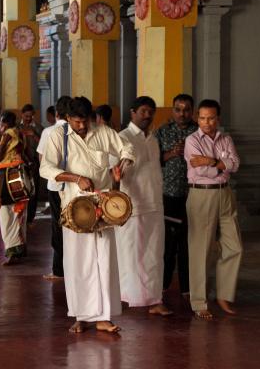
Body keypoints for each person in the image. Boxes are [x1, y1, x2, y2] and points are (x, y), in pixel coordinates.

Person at [40, 96, 135, 333]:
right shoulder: (57, 136)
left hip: (103, 205)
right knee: (78, 263)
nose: (81, 127)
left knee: (105, 260)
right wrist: (76, 178)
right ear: (67, 118)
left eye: (85, 122)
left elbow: (126, 147)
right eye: (76, 122)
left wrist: (122, 163)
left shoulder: (103, 132)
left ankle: (104, 317)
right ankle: (81, 316)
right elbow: (46, 168)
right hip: (75, 208)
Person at [184, 99, 242, 320]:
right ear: (197, 118)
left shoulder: (225, 139)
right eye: (202, 118)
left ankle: (224, 295)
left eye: (211, 118)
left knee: (234, 245)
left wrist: (212, 161)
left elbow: (235, 164)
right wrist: (220, 164)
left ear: (218, 119)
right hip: (201, 195)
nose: (206, 122)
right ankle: (199, 301)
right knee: (201, 249)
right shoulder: (191, 140)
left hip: (225, 194)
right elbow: (202, 172)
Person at [116, 96, 172, 316]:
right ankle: (125, 297)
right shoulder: (123, 138)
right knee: (129, 253)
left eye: (151, 112)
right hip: (133, 205)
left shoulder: (153, 138)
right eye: (143, 111)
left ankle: (154, 300)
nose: (147, 116)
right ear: (133, 112)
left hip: (155, 203)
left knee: (154, 253)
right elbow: (116, 173)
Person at [155, 94, 198, 300]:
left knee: (188, 243)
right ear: (173, 110)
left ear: (193, 111)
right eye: (178, 109)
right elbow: (153, 161)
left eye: (186, 109)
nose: (182, 114)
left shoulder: (199, 131)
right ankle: (163, 284)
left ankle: (187, 287)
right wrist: (172, 153)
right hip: (169, 194)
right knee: (168, 243)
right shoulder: (163, 131)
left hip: (193, 195)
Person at [36, 96, 71, 280]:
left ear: (56, 113)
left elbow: (42, 160)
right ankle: (73, 267)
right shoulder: (76, 129)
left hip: (56, 184)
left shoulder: (49, 131)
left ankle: (59, 270)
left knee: (58, 226)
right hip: (74, 185)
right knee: (74, 223)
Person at [0, 111, 28, 265]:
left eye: (1, 123)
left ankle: (12, 252)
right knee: (18, 213)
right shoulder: (21, 134)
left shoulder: (7, 134)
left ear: (4, 123)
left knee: (6, 215)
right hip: (19, 174)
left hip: (8, 177)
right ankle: (20, 249)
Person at [18, 104, 43, 225]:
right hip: (20, 163)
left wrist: (34, 135)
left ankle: (30, 218)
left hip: (34, 163)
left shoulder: (39, 128)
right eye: (26, 116)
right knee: (21, 189)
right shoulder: (17, 127)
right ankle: (21, 215)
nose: (28, 118)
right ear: (22, 114)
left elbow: (44, 146)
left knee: (33, 190)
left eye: (30, 116)